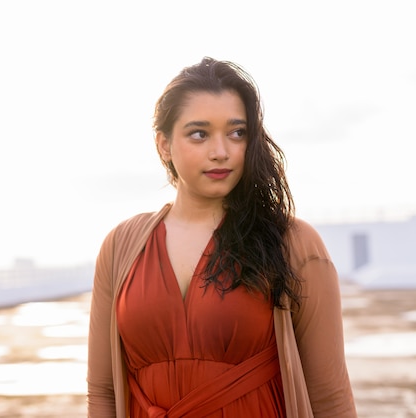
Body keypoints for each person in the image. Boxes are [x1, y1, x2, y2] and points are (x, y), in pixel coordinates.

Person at [87, 57, 357, 417]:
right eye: (199, 133)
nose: (221, 152)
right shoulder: (121, 246)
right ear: (164, 145)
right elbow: (103, 393)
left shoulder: (292, 243)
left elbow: (330, 398)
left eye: (236, 133)